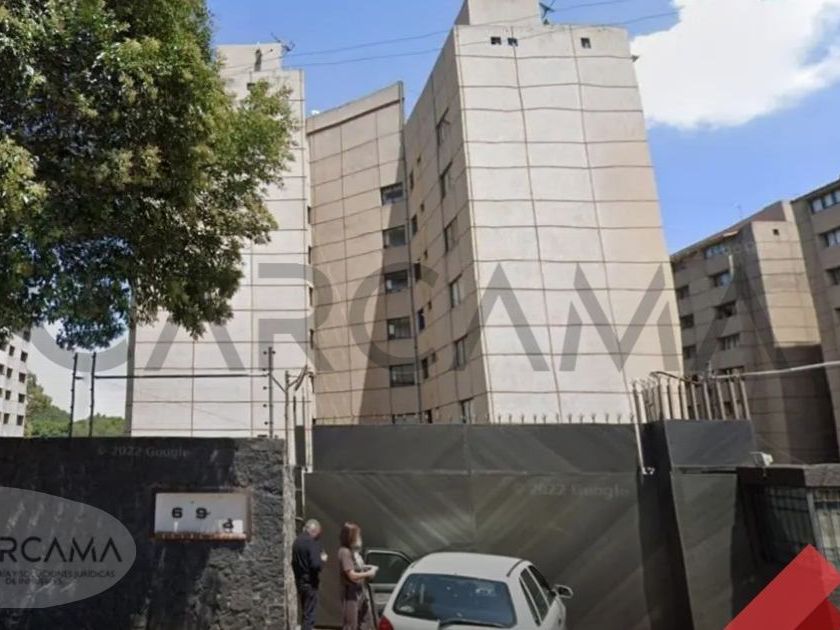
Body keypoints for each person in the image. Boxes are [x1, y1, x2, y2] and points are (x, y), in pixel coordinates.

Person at [338, 522, 378, 630]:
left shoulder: (354, 552)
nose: (359, 538)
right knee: (351, 625)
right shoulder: (345, 552)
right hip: (351, 595)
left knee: (366, 623)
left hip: (360, 593)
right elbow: (351, 575)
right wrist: (369, 573)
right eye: (358, 535)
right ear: (351, 536)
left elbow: (356, 567)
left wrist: (368, 567)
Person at [292, 519, 327, 630]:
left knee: (305, 612)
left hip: (300, 582)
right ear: (314, 530)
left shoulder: (297, 541)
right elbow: (316, 565)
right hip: (310, 583)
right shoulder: (311, 542)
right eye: (318, 534)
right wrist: (323, 560)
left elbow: (294, 562)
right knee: (309, 615)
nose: (317, 537)